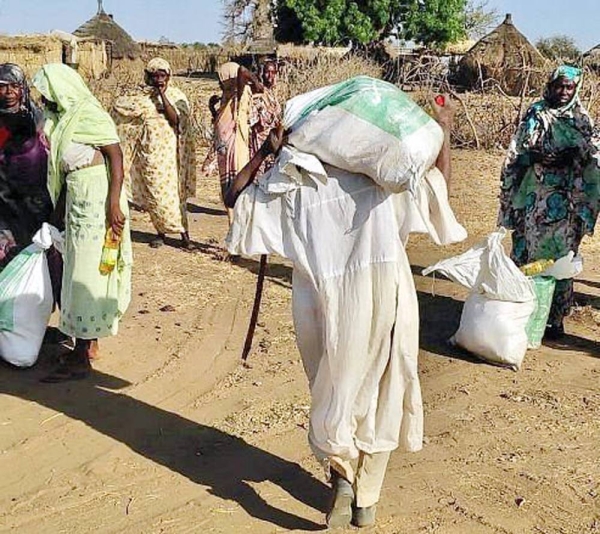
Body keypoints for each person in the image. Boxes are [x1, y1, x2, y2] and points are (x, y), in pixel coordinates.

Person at [224, 98, 457, 528]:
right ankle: (366, 499)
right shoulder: (385, 177)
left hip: (321, 306)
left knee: (335, 391)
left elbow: (233, 197)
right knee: (381, 391)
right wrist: (442, 129)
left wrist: (266, 151)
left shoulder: (296, 180)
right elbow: (439, 186)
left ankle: (342, 477)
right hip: (387, 296)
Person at [32, 64, 132, 382]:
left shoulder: (88, 113)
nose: (45, 99)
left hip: (98, 197)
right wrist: (55, 215)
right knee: (77, 267)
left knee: (88, 271)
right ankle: (86, 345)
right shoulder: (62, 121)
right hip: (78, 196)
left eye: (48, 93)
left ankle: (82, 355)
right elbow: (63, 173)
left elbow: (115, 156)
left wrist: (113, 203)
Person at [498, 65, 600, 340]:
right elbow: (519, 150)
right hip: (535, 197)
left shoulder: (581, 118)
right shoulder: (536, 112)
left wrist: (573, 156)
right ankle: (525, 312)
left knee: (562, 258)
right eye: (559, 86)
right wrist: (537, 156)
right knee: (529, 252)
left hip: (566, 201)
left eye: (569, 87)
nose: (564, 92)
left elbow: (591, 155)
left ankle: (555, 318)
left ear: (576, 89)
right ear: (550, 85)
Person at [114, 58, 197, 249]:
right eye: (155, 76)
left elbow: (176, 120)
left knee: (175, 195)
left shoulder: (176, 96)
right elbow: (120, 109)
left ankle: (185, 236)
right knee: (155, 193)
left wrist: (162, 96)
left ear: (169, 76)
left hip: (172, 156)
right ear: (148, 77)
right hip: (150, 154)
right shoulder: (141, 98)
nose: (159, 80)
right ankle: (161, 233)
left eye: (163, 75)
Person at [0, 63, 52, 269]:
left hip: (34, 198)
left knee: (32, 252)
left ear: (23, 87)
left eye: (15, 86)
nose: (9, 92)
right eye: (3, 86)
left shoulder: (36, 117)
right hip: (3, 198)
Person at [213, 62, 263, 224]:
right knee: (227, 191)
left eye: (222, 79)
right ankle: (233, 226)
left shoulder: (239, 96)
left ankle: (240, 228)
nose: (220, 83)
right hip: (224, 152)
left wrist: (255, 82)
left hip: (235, 149)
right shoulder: (226, 99)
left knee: (237, 189)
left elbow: (242, 70)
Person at [250, 60, 282, 175]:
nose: (270, 75)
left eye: (273, 72)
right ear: (262, 74)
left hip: (272, 141)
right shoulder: (258, 93)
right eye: (267, 72)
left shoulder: (272, 93)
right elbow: (254, 119)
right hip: (260, 141)